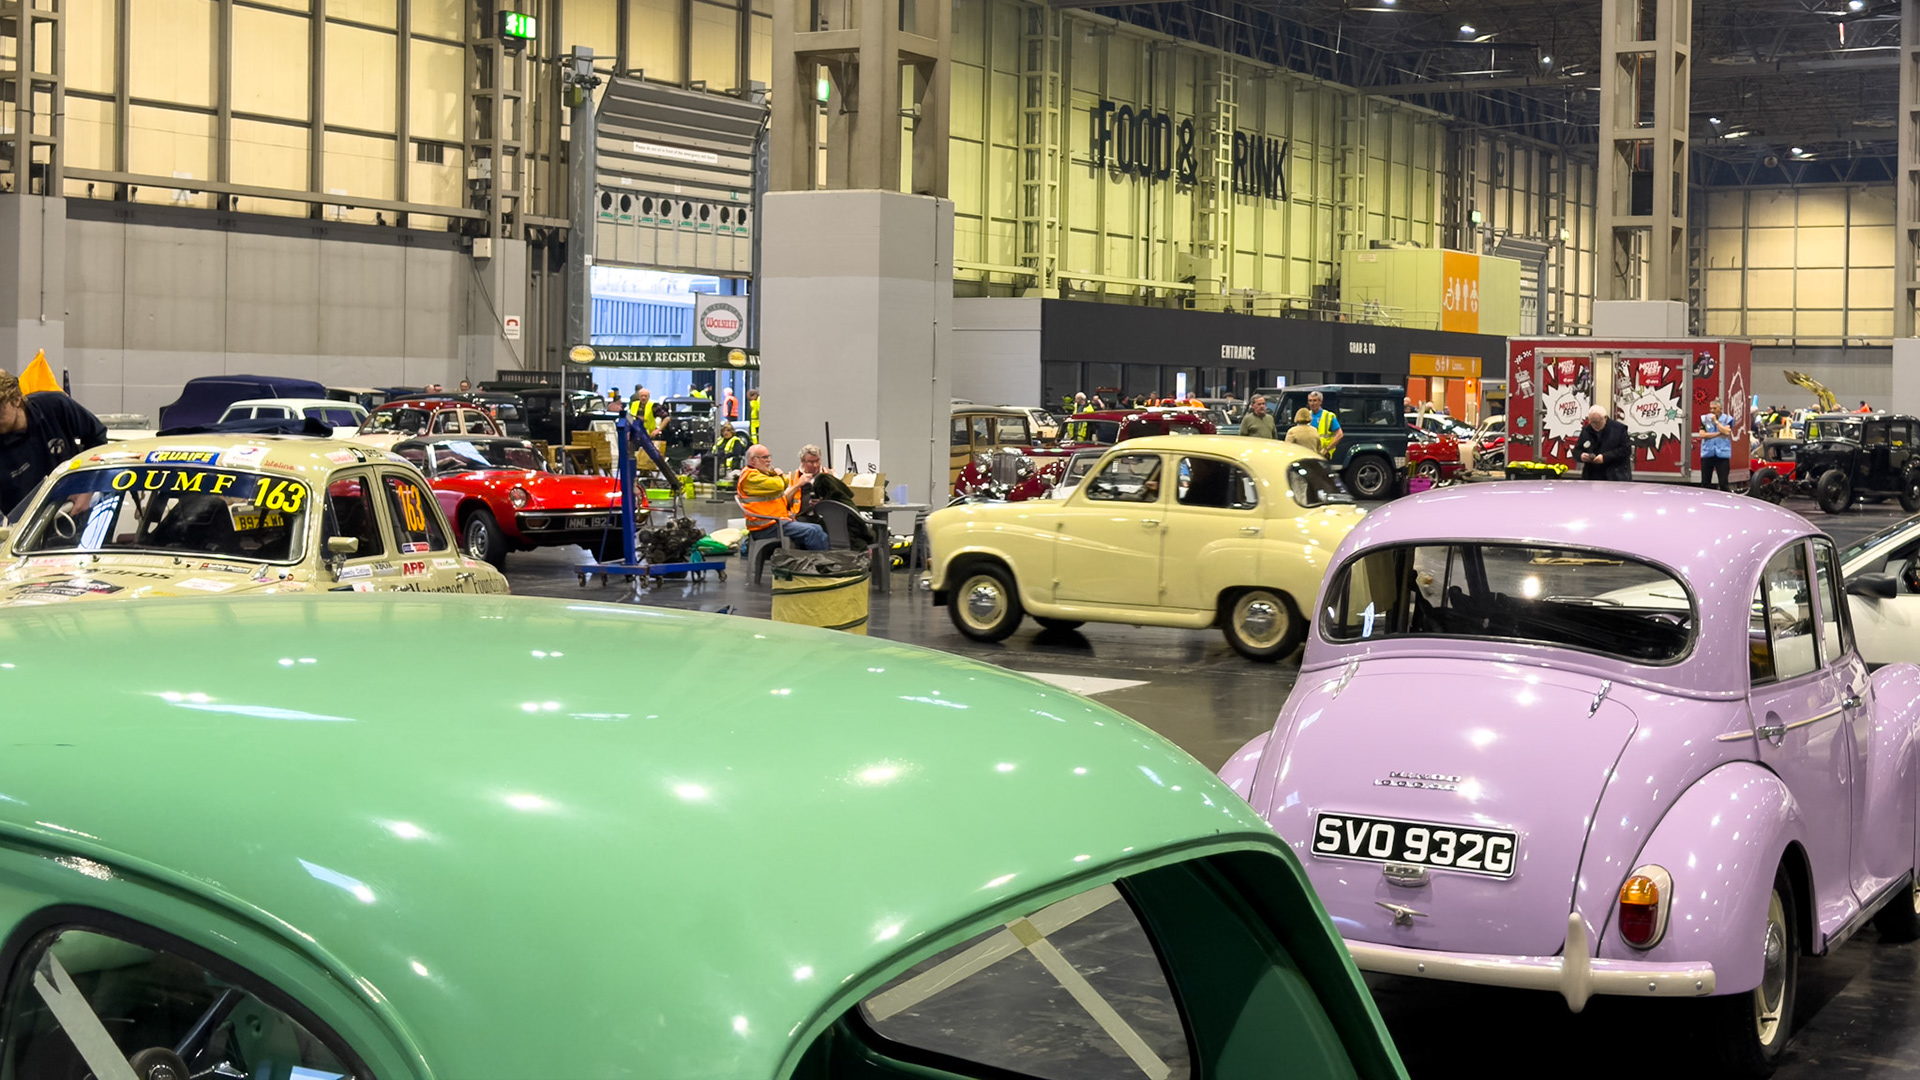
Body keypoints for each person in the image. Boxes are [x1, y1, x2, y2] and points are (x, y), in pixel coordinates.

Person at [0, 370, 107, 518]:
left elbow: (97, 437)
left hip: (75, 511)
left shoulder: (55, 407)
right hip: (24, 526)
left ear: (17, 399)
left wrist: (89, 487)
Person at [736, 444, 827, 550]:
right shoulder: (751, 477)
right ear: (752, 460)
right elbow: (780, 485)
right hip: (767, 526)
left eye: (769, 456)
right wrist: (780, 475)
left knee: (817, 528)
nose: (769, 460)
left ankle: (812, 557)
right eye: (765, 457)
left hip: (776, 521)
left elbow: (782, 488)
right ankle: (819, 559)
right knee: (813, 531)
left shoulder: (761, 474)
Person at [1574, 406, 1632, 481]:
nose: (1594, 425)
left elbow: (1626, 450)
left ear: (1605, 418)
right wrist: (1581, 456)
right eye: (1592, 422)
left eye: (1597, 422)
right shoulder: (1586, 430)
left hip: (1615, 476)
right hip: (1591, 477)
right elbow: (1577, 450)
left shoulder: (1619, 429)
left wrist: (1604, 457)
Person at [1695, 397, 1734, 491]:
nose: (1712, 411)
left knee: (1723, 483)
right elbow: (1702, 434)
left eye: (1714, 408)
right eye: (1711, 408)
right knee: (1705, 483)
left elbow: (1727, 432)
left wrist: (1716, 422)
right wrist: (1719, 434)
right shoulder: (1704, 419)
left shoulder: (1728, 419)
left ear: (1720, 409)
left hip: (1722, 454)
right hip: (1707, 453)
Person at [1307, 390, 1343, 457]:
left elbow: (1340, 434)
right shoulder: (1306, 415)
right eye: (1310, 400)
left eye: (1315, 400)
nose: (1312, 403)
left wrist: (1327, 449)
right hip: (1308, 452)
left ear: (1320, 402)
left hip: (1323, 453)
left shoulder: (1328, 416)